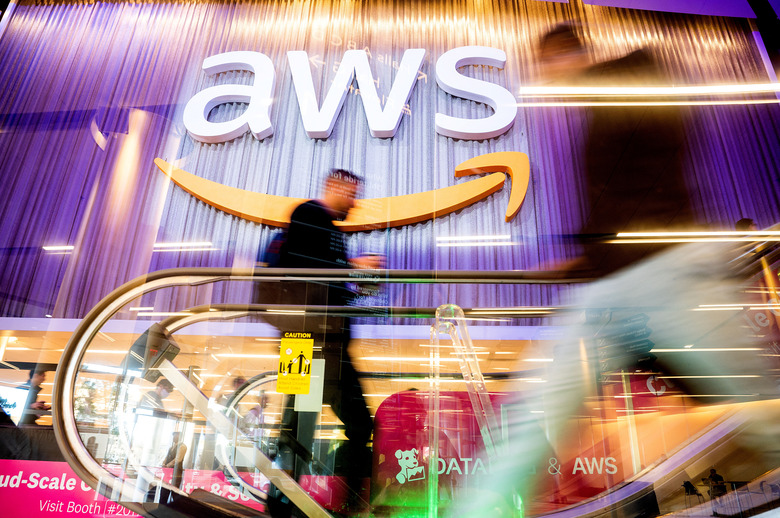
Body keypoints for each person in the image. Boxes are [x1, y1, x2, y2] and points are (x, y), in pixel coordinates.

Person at [267, 168, 382, 517]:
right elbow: (303, 267)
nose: (354, 202)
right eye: (351, 193)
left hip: (314, 339)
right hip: (310, 338)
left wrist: (354, 281)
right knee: (340, 424)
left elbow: (322, 278)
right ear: (335, 186)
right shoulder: (308, 214)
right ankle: (318, 504)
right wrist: (352, 267)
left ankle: (284, 503)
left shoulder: (327, 228)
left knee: (302, 422)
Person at [539, 23, 696, 277]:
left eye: (548, 61)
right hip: (654, 258)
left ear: (567, 52)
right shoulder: (612, 97)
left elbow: (631, 194)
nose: (547, 75)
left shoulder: (621, 92)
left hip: (655, 263)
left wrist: (595, 259)